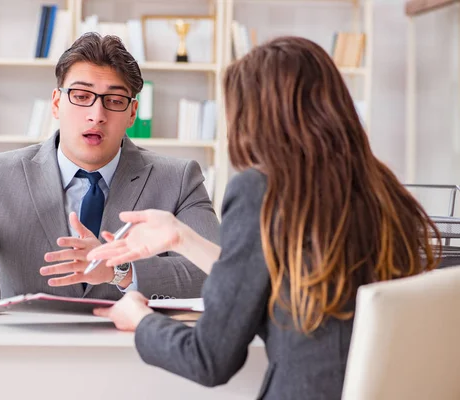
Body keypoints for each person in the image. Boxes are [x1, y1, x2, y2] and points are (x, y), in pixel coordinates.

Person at [88, 36, 441, 399]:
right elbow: (273, 277)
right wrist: (181, 237)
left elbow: (208, 358)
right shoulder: (381, 188)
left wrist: (140, 320)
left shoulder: (260, 190)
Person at [0, 32, 219, 301]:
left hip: (133, 352)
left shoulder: (178, 180)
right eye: (81, 96)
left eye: (114, 100)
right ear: (56, 104)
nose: (97, 115)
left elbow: (221, 277)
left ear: (132, 113)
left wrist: (122, 270)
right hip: (27, 351)